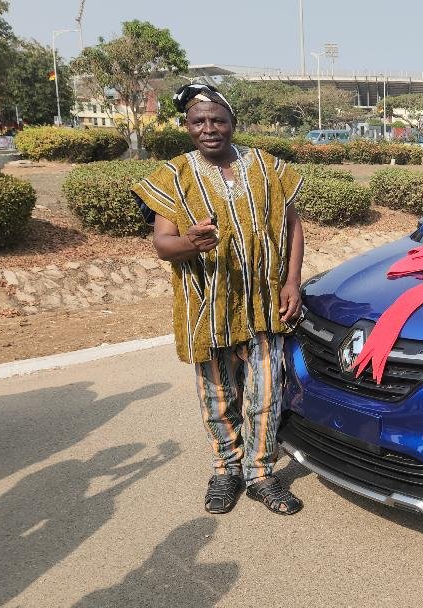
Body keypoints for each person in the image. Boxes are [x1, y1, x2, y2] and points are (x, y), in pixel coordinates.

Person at [130, 83, 306, 515]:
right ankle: (227, 469)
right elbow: (163, 245)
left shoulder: (267, 167)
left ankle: (261, 474)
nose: (209, 129)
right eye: (198, 121)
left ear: (232, 123)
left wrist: (292, 281)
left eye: (218, 120)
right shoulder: (174, 176)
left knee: (266, 394)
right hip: (208, 307)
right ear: (186, 126)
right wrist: (190, 241)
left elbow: (292, 225)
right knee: (219, 396)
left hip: (265, 303)